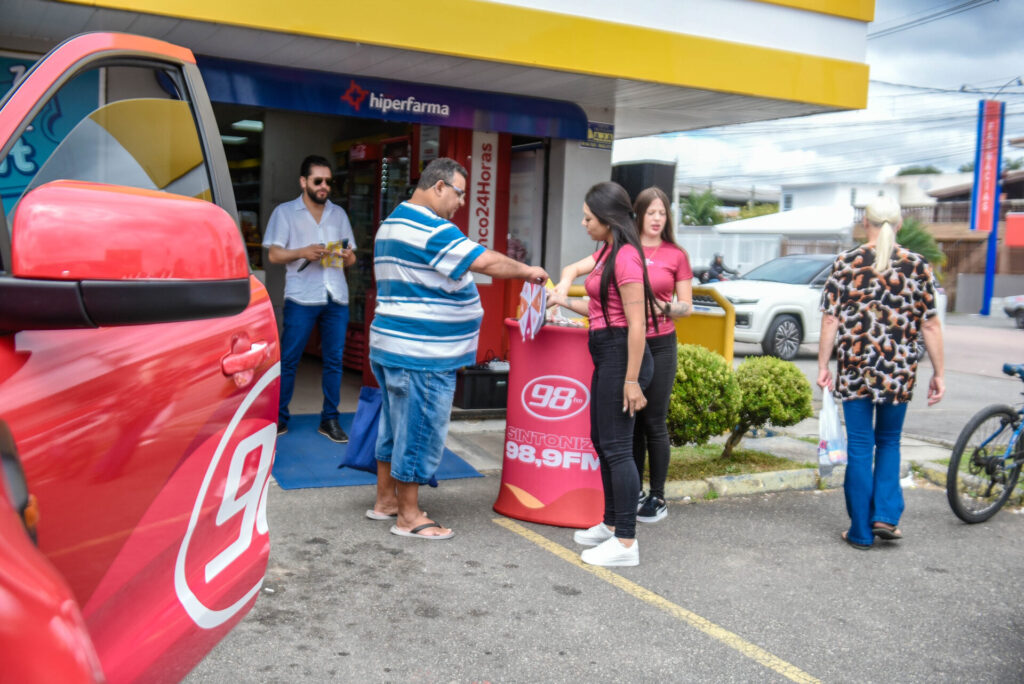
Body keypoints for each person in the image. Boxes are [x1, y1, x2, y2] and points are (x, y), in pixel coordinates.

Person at [368, 158, 547, 540]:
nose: (462, 202)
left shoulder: (391, 223)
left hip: (392, 345)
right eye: (460, 193)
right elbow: (485, 261)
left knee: (395, 428)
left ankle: (386, 501)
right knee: (419, 430)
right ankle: (409, 516)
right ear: (438, 186)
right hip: (423, 353)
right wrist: (528, 270)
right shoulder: (430, 228)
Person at [817, 195, 945, 550]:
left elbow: (830, 319)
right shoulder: (917, 265)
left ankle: (860, 532)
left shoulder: (846, 262)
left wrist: (823, 365)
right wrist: (939, 373)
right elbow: (930, 325)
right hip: (898, 370)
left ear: (865, 224)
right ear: (899, 224)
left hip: (855, 368)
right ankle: (885, 517)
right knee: (889, 442)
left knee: (860, 446)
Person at [548, 181, 658, 567]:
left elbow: (637, 324)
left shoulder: (626, 259)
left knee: (618, 448)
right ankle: (611, 524)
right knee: (602, 441)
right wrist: (563, 300)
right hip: (607, 351)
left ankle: (626, 542)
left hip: (623, 356)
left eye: (588, 218)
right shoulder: (609, 252)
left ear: (608, 219)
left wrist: (631, 380)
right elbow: (600, 311)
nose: (583, 224)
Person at [264, 154, 356, 443]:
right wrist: (302, 252)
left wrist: (346, 256)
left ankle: (330, 419)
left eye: (328, 181)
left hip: (335, 296)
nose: (324, 186)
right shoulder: (285, 213)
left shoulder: (338, 214)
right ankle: (279, 417)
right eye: (318, 181)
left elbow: (352, 257)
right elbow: (274, 254)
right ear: (303, 182)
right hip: (301, 297)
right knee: (289, 360)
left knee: (334, 361)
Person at [631, 187, 693, 523]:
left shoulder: (676, 254)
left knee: (653, 421)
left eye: (662, 213)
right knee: (632, 420)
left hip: (661, 343)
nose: (657, 219)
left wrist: (663, 307)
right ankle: (633, 490)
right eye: (651, 212)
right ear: (639, 214)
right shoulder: (624, 249)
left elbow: (687, 307)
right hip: (630, 343)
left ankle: (657, 496)